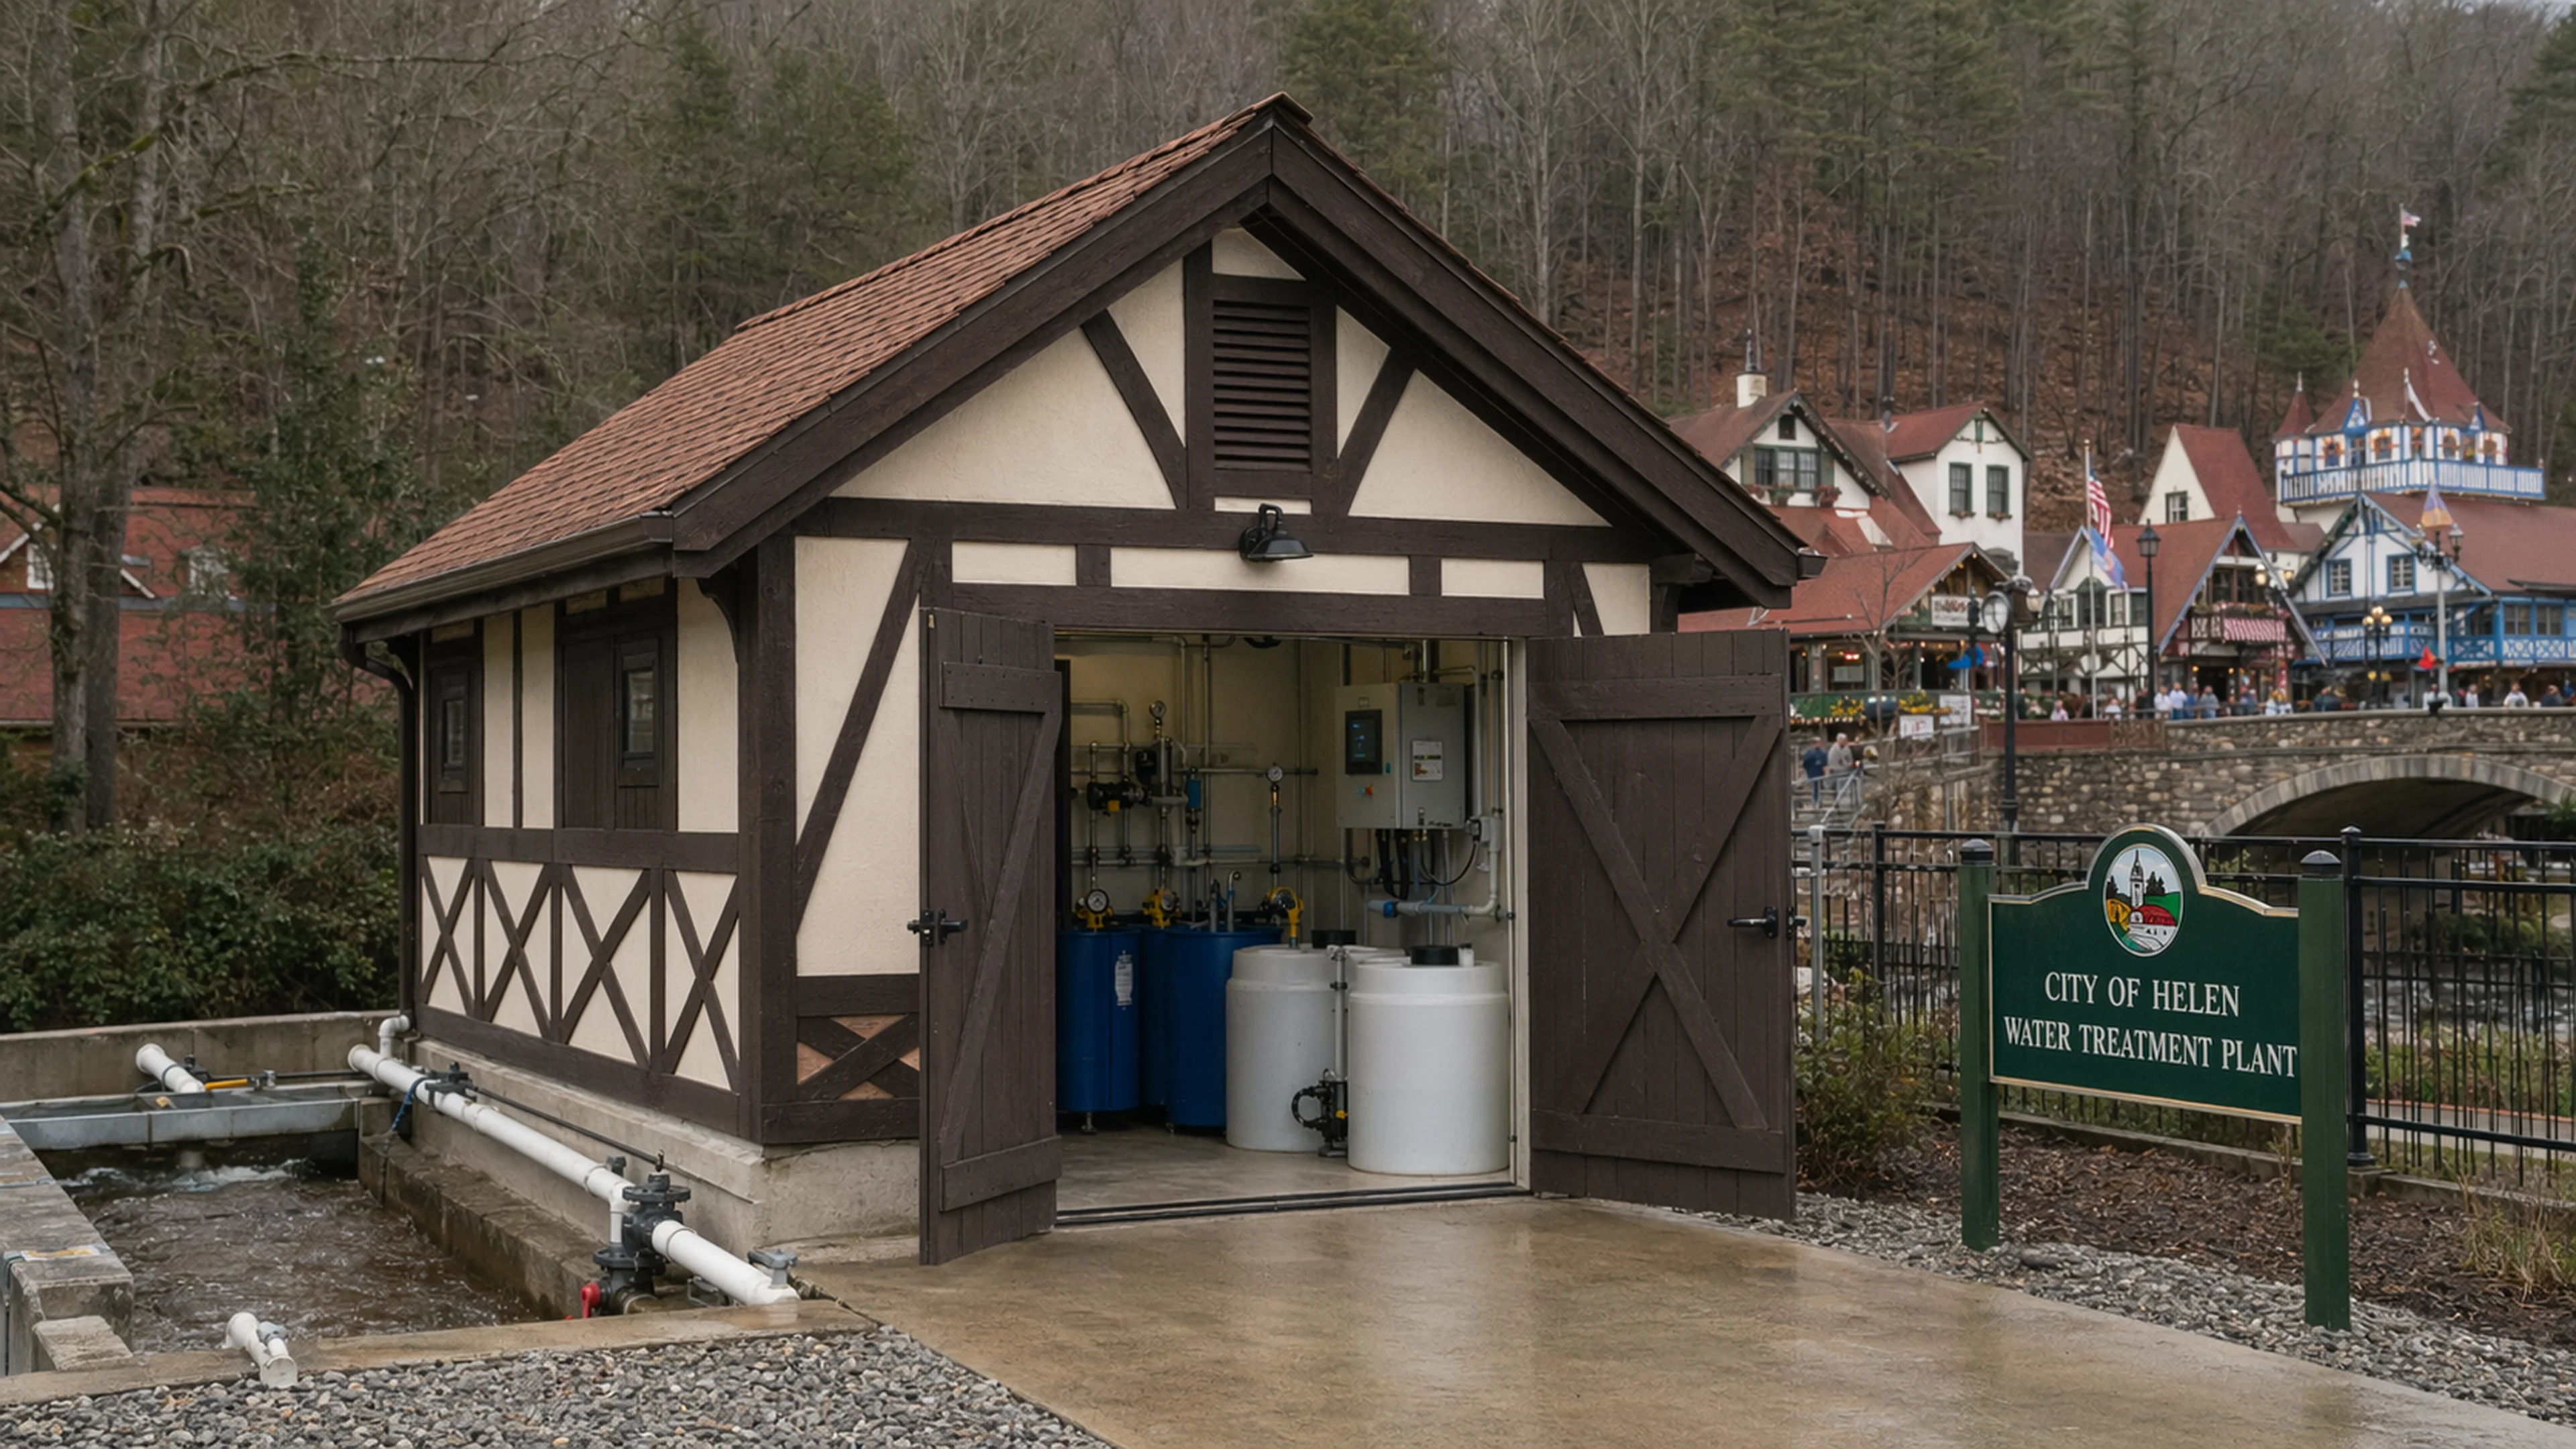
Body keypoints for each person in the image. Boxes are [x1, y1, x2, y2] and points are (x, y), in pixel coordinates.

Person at [1801, 737, 1828, 804]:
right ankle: (1815, 801)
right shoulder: (1810, 753)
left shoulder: (1821, 753)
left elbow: (1824, 763)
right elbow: (1805, 763)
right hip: (1813, 773)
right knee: (1815, 788)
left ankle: (1818, 801)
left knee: (1818, 788)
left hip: (1818, 773)